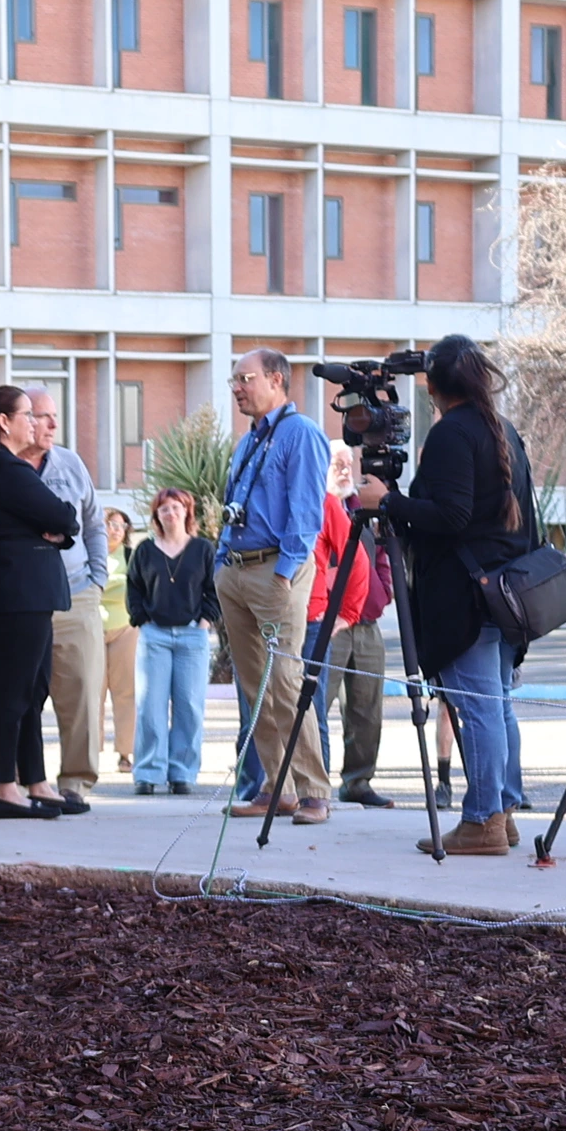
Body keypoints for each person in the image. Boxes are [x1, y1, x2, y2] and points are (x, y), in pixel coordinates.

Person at [360, 336, 537, 855]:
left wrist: (389, 501)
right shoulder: (500, 429)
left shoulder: (452, 434)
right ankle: (501, 813)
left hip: (466, 596)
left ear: (433, 387)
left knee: (480, 709)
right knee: (497, 706)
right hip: (502, 592)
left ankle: (483, 821)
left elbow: (453, 516)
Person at [211, 350, 332, 824]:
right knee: (253, 685)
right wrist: (222, 562)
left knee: (283, 681)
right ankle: (275, 785)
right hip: (236, 570)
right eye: (233, 380)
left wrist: (284, 572)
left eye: (245, 379)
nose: (237, 388)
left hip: (275, 571)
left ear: (277, 380)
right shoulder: (248, 441)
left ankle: (314, 791)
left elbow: (306, 511)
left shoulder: (299, 433)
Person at [0, 384, 82, 818]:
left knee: (32, 691)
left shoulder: (3, 468)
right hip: (16, 594)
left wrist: (57, 530)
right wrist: (56, 528)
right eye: (27, 414)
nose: (35, 421)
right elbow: (63, 515)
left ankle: (36, 781)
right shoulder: (5, 468)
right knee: (13, 693)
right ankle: (5, 787)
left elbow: (64, 524)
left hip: (27, 592)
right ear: (4, 422)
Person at [36, 402, 114, 804]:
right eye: (40, 415)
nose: (52, 422)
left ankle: (75, 785)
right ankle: (24, 781)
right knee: (22, 695)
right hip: (22, 598)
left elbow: (95, 523)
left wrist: (97, 580)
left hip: (76, 591)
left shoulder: (71, 463)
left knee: (83, 691)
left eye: (54, 414)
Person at [318, 442, 395, 808]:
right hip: (328, 624)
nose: (346, 469)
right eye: (337, 463)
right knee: (316, 705)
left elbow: (382, 555)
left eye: (349, 463)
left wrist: (384, 591)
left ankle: (358, 782)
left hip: (367, 623)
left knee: (367, 710)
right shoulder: (317, 508)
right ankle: (312, 785)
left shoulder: (364, 509)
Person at [125, 488, 216, 794]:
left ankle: (183, 773)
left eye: (176, 508)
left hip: (193, 635)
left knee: (189, 705)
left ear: (187, 512)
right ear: (156, 516)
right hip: (155, 636)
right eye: (164, 509)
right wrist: (142, 619)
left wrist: (205, 621)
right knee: (150, 705)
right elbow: (134, 588)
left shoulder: (203, 549)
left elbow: (214, 589)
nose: (170, 513)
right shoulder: (145, 551)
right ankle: (148, 773)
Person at [98, 507, 138, 773]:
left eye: (121, 526)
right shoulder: (89, 555)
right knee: (93, 693)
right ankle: (91, 751)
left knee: (125, 692)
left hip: (125, 628)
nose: (115, 529)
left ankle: (126, 753)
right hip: (92, 629)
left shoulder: (131, 557)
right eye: (110, 523)